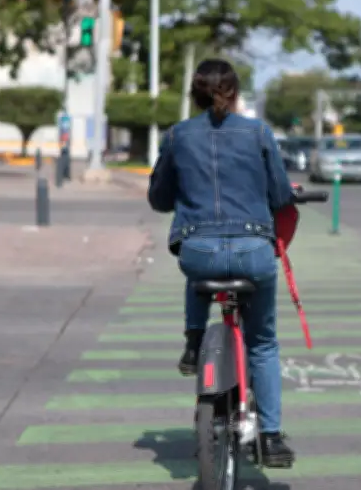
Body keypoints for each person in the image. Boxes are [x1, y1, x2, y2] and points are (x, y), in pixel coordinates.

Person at [147, 58, 295, 467]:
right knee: (263, 343)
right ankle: (271, 436)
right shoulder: (259, 133)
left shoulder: (177, 136)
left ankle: (194, 343)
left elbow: (159, 199)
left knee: (199, 268)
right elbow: (281, 196)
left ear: (195, 93)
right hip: (253, 252)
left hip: (200, 252)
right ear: (234, 92)